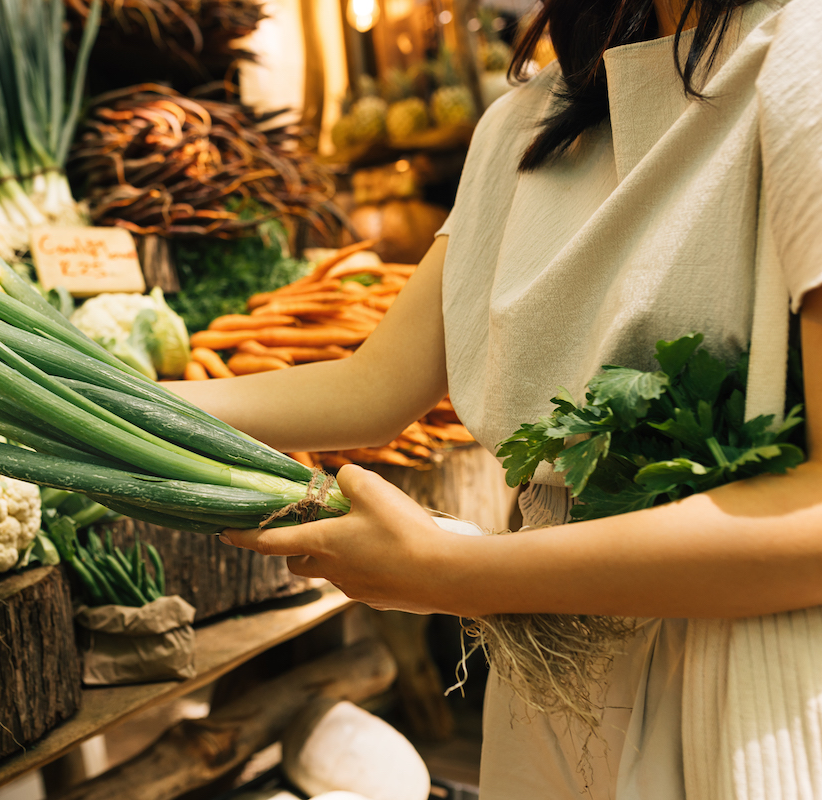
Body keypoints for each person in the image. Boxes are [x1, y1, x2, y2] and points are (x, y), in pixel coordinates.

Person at [171, 0, 822, 797]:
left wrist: (456, 571)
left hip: (744, 666)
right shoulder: (528, 119)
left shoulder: (804, 56)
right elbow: (374, 387)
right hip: (549, 678)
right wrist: (95, 399)